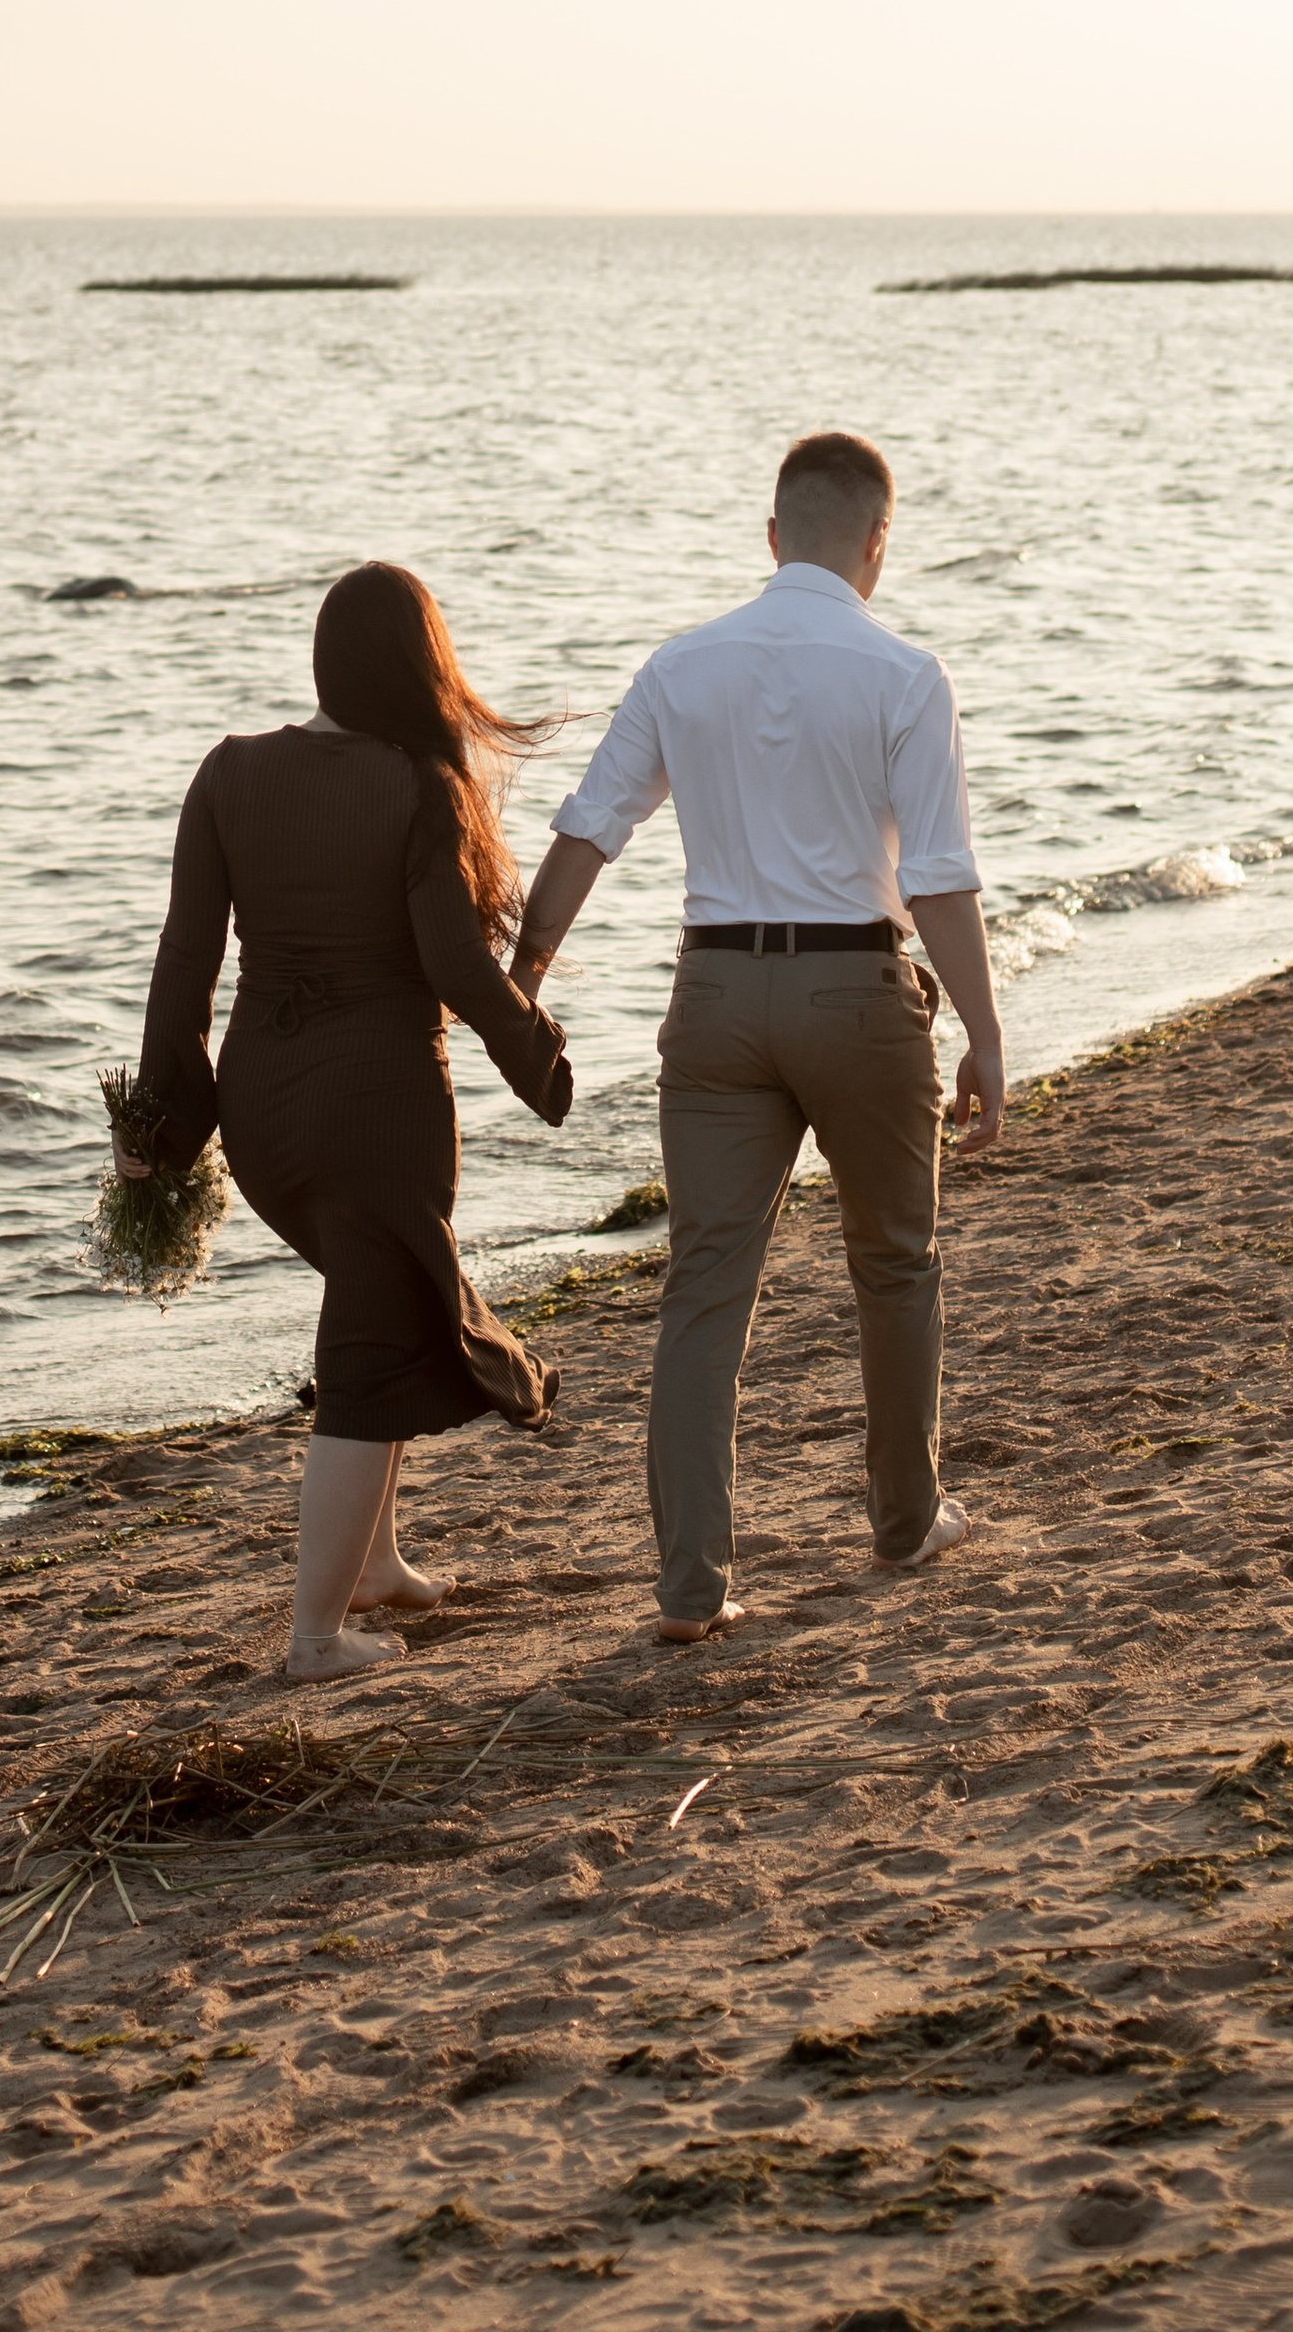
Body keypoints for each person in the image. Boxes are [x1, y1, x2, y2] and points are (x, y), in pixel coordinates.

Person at [511, 430, 1005, 1642]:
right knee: (894, 1265)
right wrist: (986, 1032)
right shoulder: (904, 675)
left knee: (704, 1292)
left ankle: (691, 1588)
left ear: (772, 534)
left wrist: (524, 976)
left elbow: (589, 829)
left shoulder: (683, 667)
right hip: (855, 993)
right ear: (876, 545)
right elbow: (938, 877)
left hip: (717, 1000)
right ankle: (903, 1520)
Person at [129, 564, 572, 1682]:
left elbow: (185, 958)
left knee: (372, 1309)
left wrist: (160, 1127)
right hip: (378, 1108)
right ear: (425, 666)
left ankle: (377, 1565)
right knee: (368, 1342)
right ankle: (315, 1636)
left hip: (264, 1116)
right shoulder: (420, 784)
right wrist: (537, 1052)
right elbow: (451, 964)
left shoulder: (229, 773)